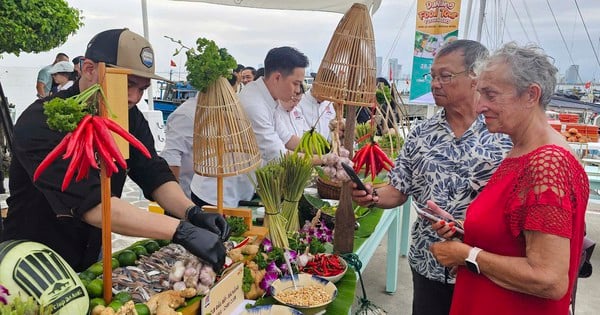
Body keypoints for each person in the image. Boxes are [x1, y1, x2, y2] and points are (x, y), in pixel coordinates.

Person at [2, 28, 229, 273]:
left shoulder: (128, 116)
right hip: (31, 258)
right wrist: (180, 230)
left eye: (142, 89)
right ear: (89, 69)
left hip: (89, 252)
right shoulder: (42, 120)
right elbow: (93, 205)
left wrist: (191, 212)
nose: (134, 97)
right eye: (127, 84)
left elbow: (151, 170)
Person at [351, 40, 512, 315]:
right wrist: (372, 196)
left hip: (485, 268)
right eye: (433, 76)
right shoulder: (421, 133)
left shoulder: (505, 133)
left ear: (476, 77)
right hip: (429, 262)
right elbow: (398, 189)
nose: (435, 84)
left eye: (445, 76)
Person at [429, 43, 588, 315]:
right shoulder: (522, 150)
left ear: (531, 95)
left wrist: (466, 255)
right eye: (480, 94)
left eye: (490, 94)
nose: (480, 107)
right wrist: (465, 231)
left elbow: (549, 279)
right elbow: (514, 238)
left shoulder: (547, 163)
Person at [239, 46, 309, 163]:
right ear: (277, 78)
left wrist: (325, 149)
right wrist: (325, 159)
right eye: (295, 83)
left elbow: (288, 139)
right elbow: (279, 156)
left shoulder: (268, 97)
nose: (298, 90)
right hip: (230, 180)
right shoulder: (254, 105)